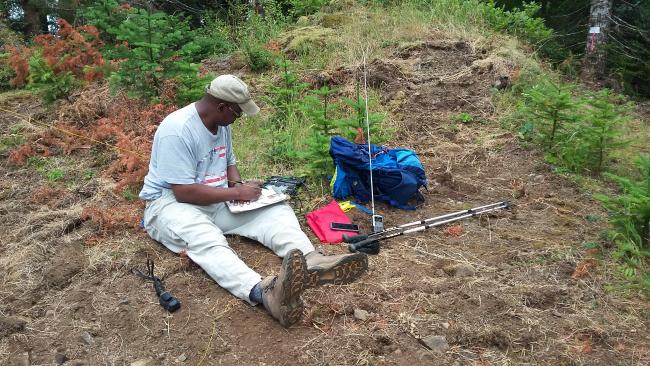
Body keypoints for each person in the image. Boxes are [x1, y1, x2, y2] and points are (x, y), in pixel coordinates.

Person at [139, 74, 368, 327]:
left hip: (214, 198)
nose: (238, 119)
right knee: (206, 239)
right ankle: (266, 292)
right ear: (222, 107)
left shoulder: (221, 125)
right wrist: (236, 194)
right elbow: (183, 191)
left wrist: (240, 186)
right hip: (170, 205)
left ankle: (310, 260)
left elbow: (229, 163)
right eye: (237, 113)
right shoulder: (178, 130)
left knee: (275, 209)